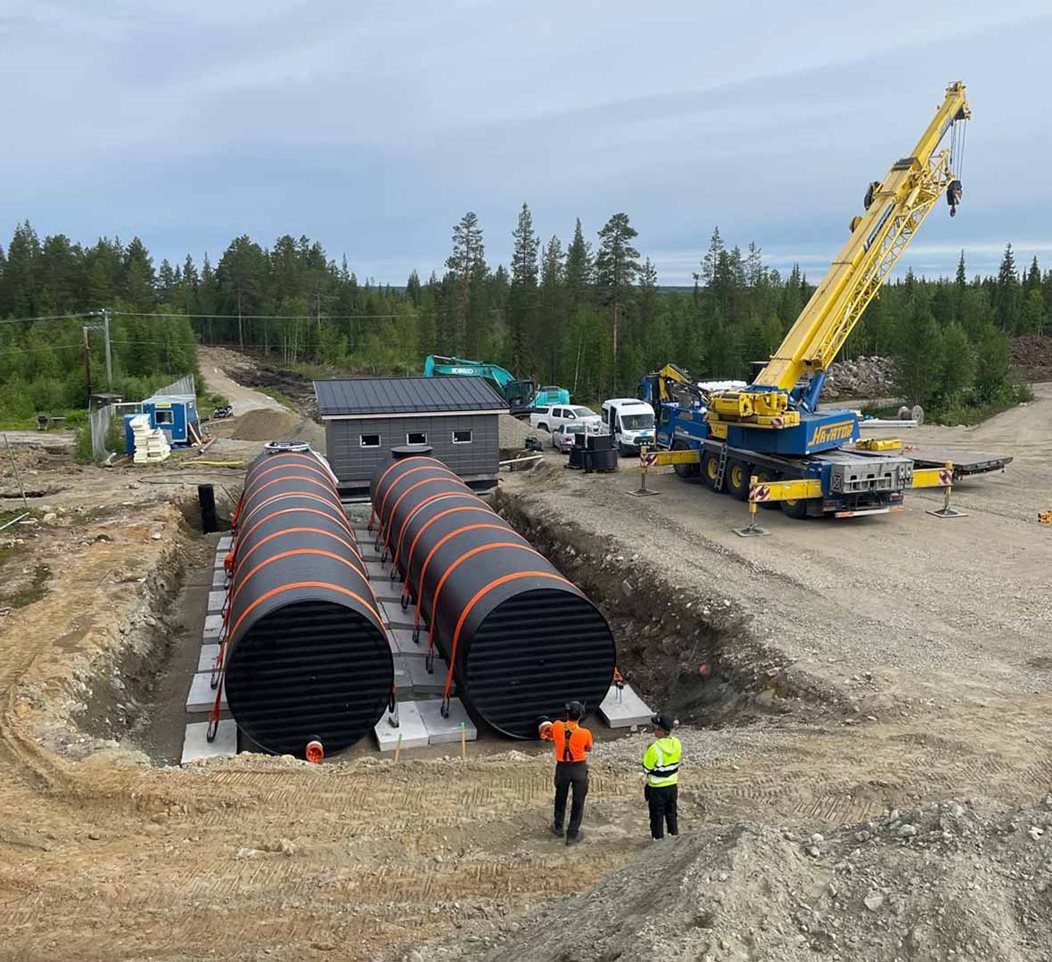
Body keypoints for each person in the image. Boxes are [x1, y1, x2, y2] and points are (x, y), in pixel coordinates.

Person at [538, 700, 593, 845]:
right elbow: (588, 748)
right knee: (578, 801)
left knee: (560, 797)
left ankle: (558, 827)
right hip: (579, 768)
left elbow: (548, 733)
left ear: (566, 713)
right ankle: (572, 835)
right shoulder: (585, 733)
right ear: (580, 715)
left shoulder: (556, 726)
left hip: (562, 767)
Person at [642, 713, 681, 841]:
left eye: (656, 728)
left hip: (657, 788)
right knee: (671, 813)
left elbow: (646, 768)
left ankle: (658, 840)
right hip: (672, 785)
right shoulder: (677, 743)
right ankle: (674, 836)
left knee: (656, 816)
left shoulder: (654, 748)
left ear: (660, 731)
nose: (654, 730)